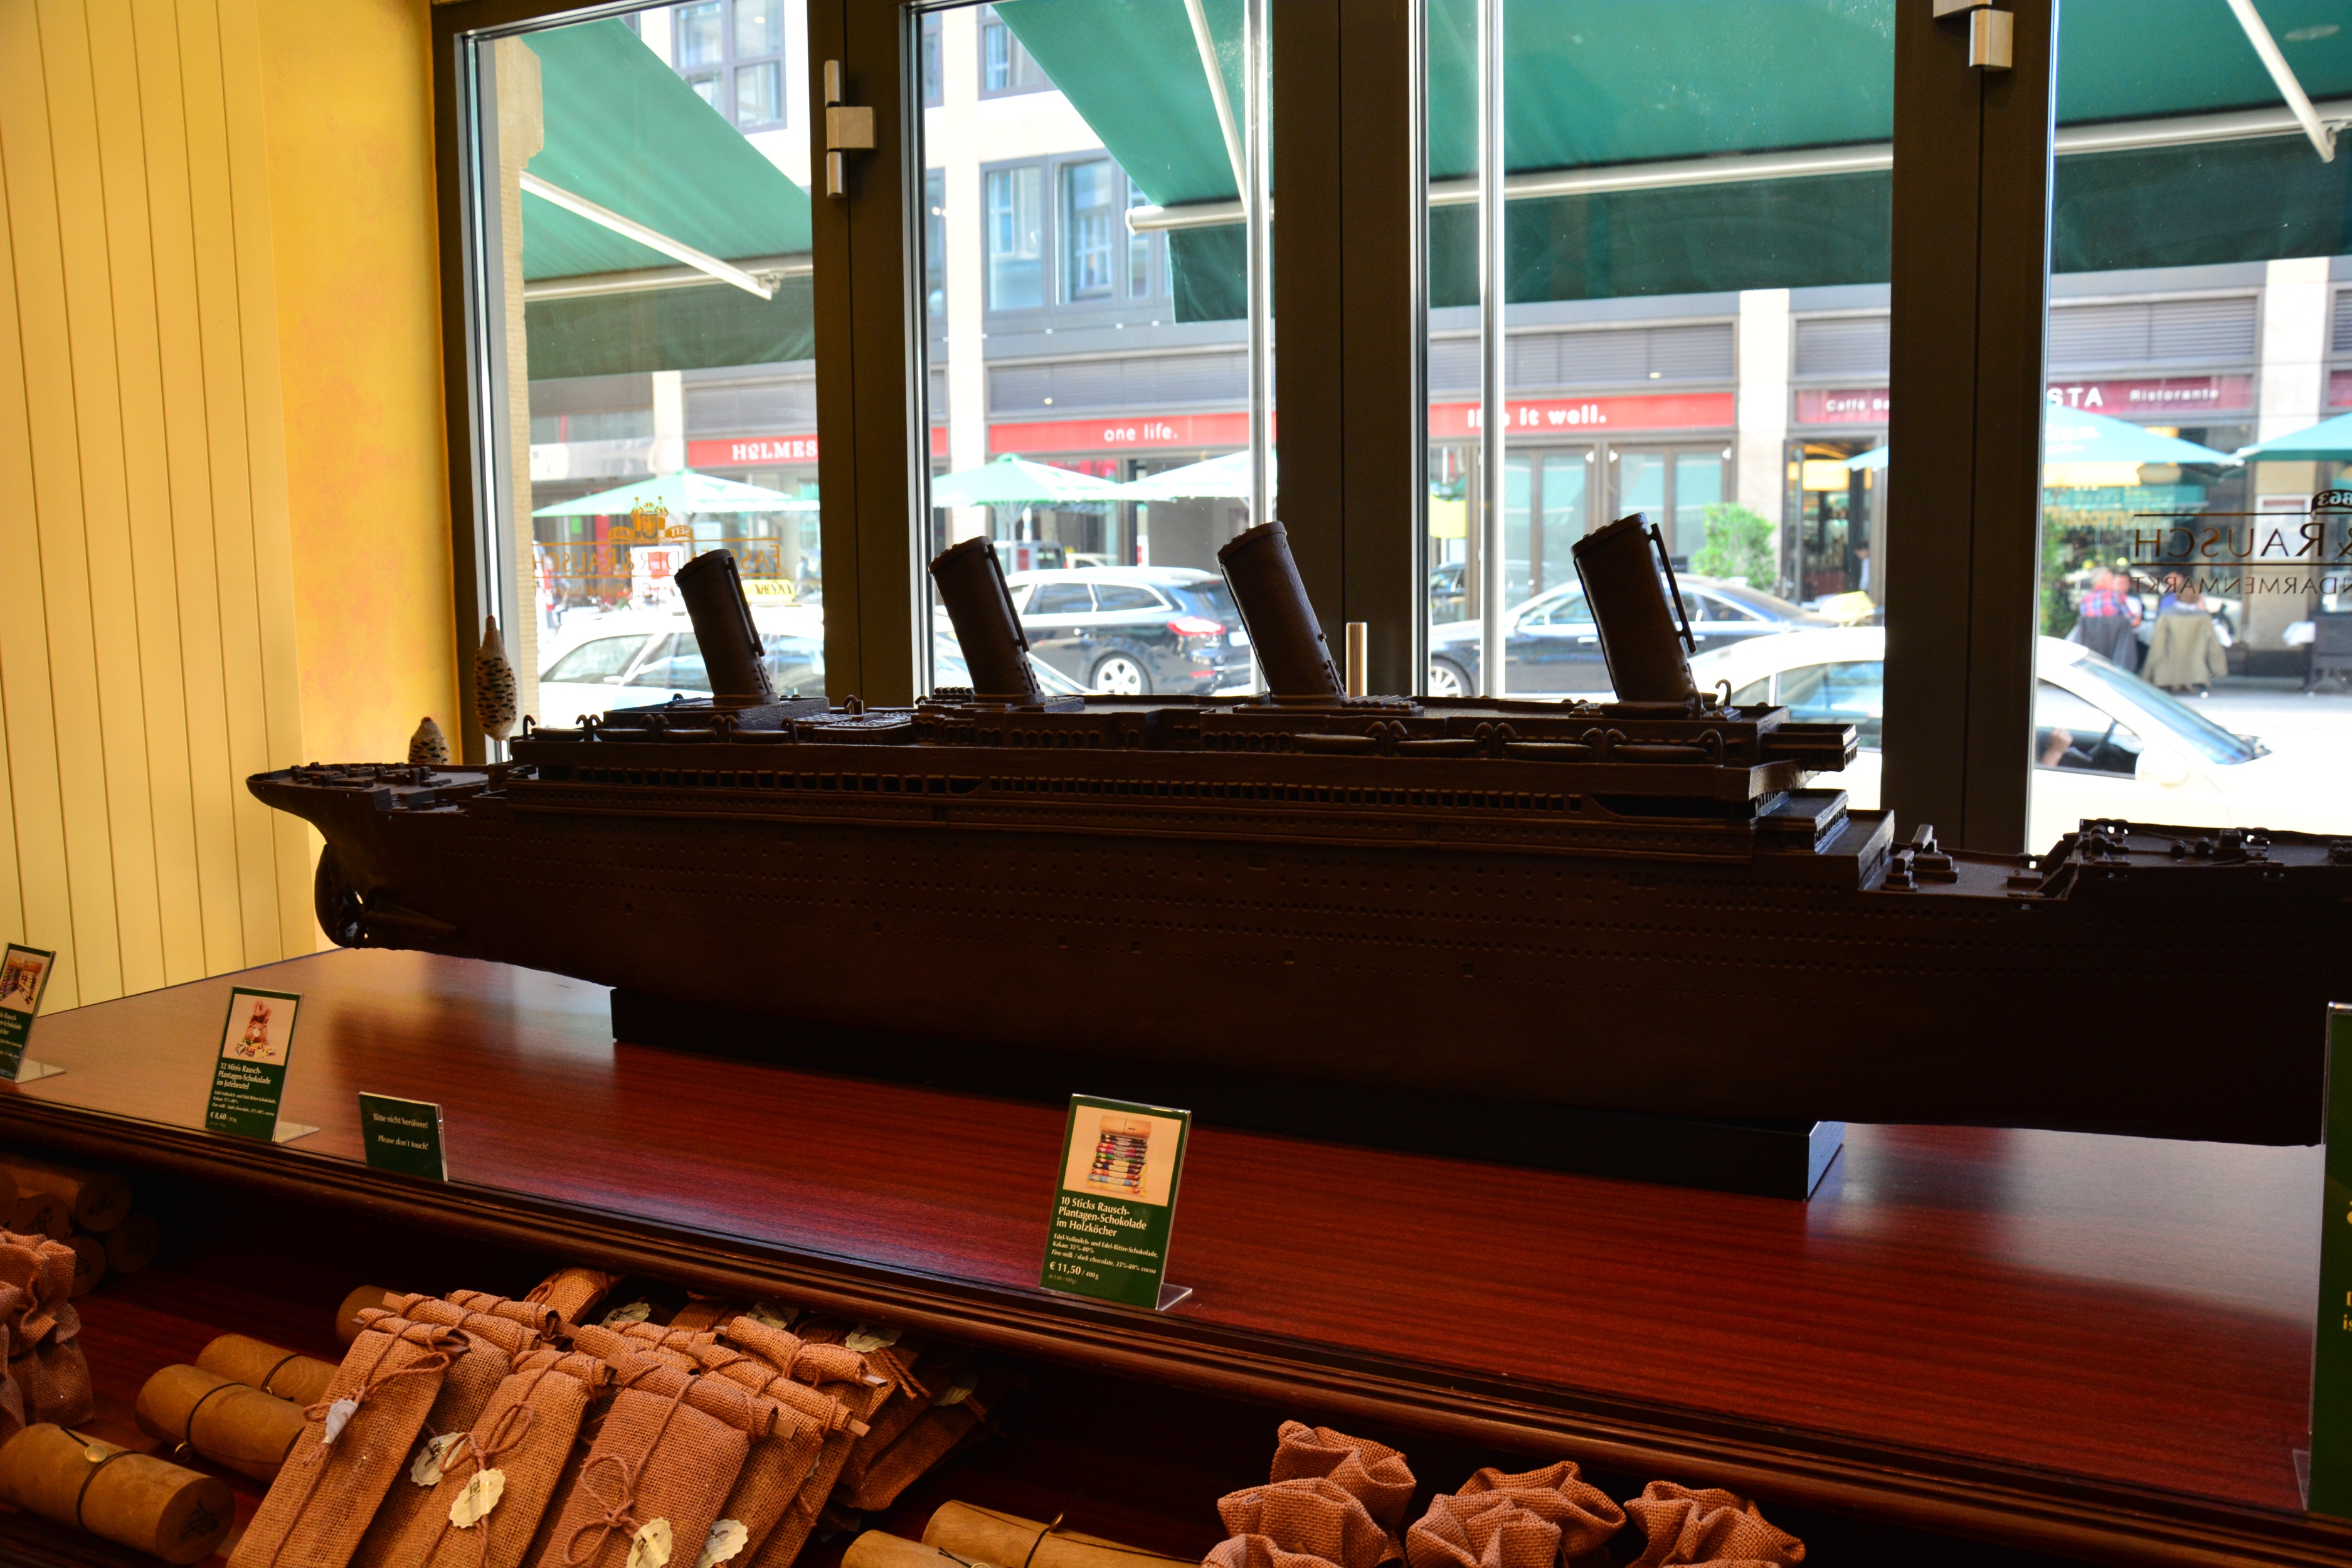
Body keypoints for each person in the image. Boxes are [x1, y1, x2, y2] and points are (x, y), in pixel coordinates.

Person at [2142, 578, 2228, 695]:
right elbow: (2213, 645)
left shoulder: (2166, 615)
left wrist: (2147, 674)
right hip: (2197, 674)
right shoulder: (2203, 618)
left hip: (2167, 676)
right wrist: (2219, 670)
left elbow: (2158, 645)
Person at [2071, 567, 2143, 674]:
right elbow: (2133, 621)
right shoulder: (2117, 597)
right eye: (2111, 580)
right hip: (2116, 654)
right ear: (2104, 581)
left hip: (2092, 653)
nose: (2113, 583)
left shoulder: (2085, 600)